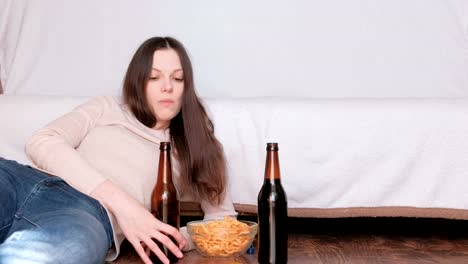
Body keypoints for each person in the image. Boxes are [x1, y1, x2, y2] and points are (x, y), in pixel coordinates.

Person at [0, 36, 237, 264]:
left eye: (177, 78)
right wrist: (129, 209)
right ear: (138, 82)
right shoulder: (106, 108)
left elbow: (222, 219)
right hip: (22, 181)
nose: (167, 87)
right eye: (154, 77)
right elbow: (43, 140)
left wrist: (177, 238)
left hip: (86, 214)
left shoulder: (199, 148)